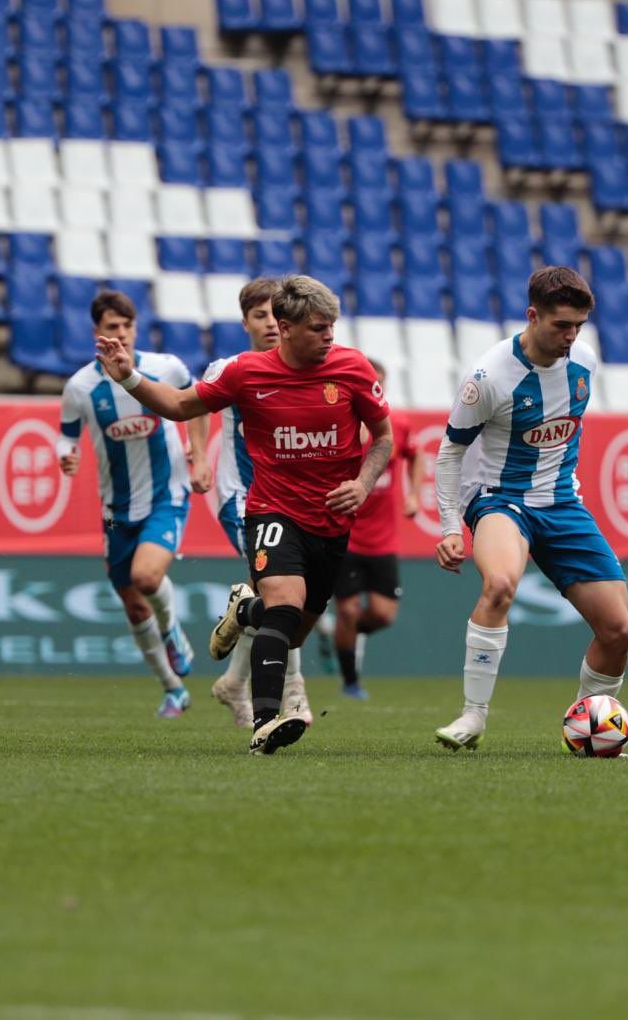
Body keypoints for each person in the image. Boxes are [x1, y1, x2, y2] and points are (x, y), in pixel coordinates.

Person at [93, 275, 392, 754]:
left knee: (292, 631)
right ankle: (267, 722)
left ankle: (244, 609)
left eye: (332, 327)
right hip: (272, 508)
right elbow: (177, 404)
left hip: (331, 522)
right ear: (287, 326)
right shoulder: (245, 373)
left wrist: (362, 482)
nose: (330, 337)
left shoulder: (353, 368)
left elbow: (383, 438)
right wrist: (127, 374)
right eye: (319, 328)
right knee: (284, 606)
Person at [430, 266, 628, 751]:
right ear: (532, 315)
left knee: (619, 629)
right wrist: (449, 527)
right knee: (499, 584)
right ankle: (473, 716)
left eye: (579, 326)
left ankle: (588, 724)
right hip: (501, 499)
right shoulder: (488, 378)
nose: (571, 336)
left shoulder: (584, 361)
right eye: (561, 324)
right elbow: (450, 452)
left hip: (563, 501)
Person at [58, 291, 208, 718]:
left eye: (126, 326)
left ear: (135, 328)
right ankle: (172, 689)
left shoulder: (166, 368)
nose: (119, 334)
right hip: (116, 507)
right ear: (97, 333)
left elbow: (199, 404)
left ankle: (172, 628)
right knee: (132, 600)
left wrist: (197, 452)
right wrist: (65, 455)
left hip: (168, 492)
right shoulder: (80, 387)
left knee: (146, 576)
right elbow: (66, 434)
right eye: (111, 327)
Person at [206, 277, 315, 730]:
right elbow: (194, 405)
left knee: (283, 594)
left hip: (288, 501)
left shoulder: (304, 368)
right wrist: (196, 457)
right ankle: (293, 695)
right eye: (259, 315)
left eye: (276, 314)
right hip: (241, 498)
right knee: (281, 590)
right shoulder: (229, 368)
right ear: (245, 321)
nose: (270, 323)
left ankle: (234, 682)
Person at [328, 359, 422, 699]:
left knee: (382, 616)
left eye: (380, 383)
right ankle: (351, 682)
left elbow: (415, 454)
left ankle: (338, 635)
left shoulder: (396, 424)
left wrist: (413, 493)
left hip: (383, 541)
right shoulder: (336, 427)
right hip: (346, 535)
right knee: (349, 610)